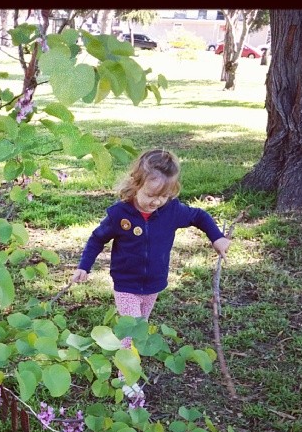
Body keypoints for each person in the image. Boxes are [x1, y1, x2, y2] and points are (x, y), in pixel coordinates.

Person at [70, 149, 231, 399]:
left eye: (164, 197)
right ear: (136, 184)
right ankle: (128, 379)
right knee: (132, 331)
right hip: (126, 283)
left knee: (140, 328)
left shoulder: (172, 211)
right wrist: (84, 266)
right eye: (151, 195)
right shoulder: (120, 214)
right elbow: (97, 239)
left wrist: (217, 238)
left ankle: (127, 354)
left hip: (154, 283)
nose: (156, 202)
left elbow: (199, 216)